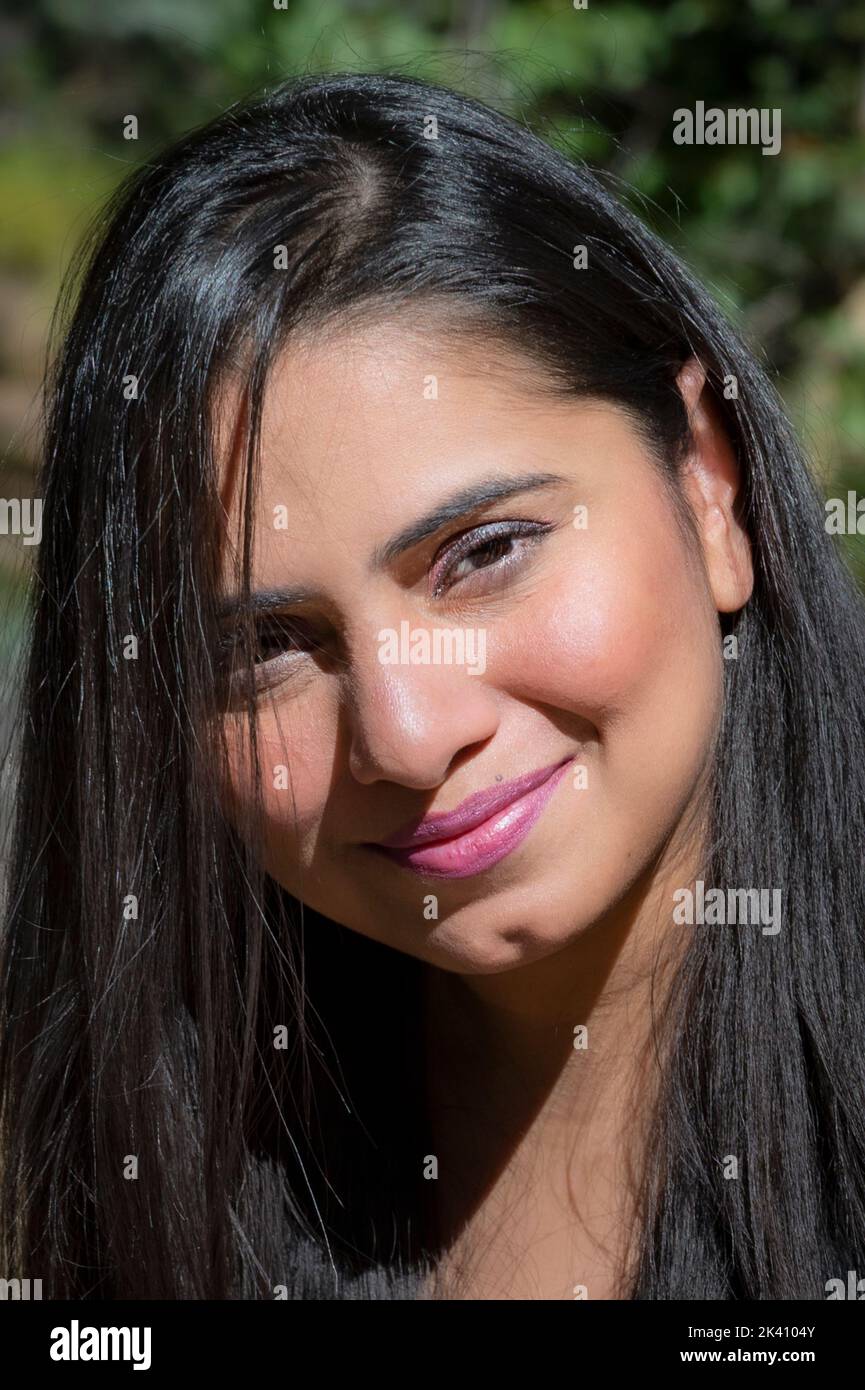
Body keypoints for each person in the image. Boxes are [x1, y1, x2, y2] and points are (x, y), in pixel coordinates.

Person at [2, 71, 864, 1301]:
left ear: (708, 485)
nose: (406, 736)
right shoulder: (169, 1175)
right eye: (263, 650)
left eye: (483, 555)